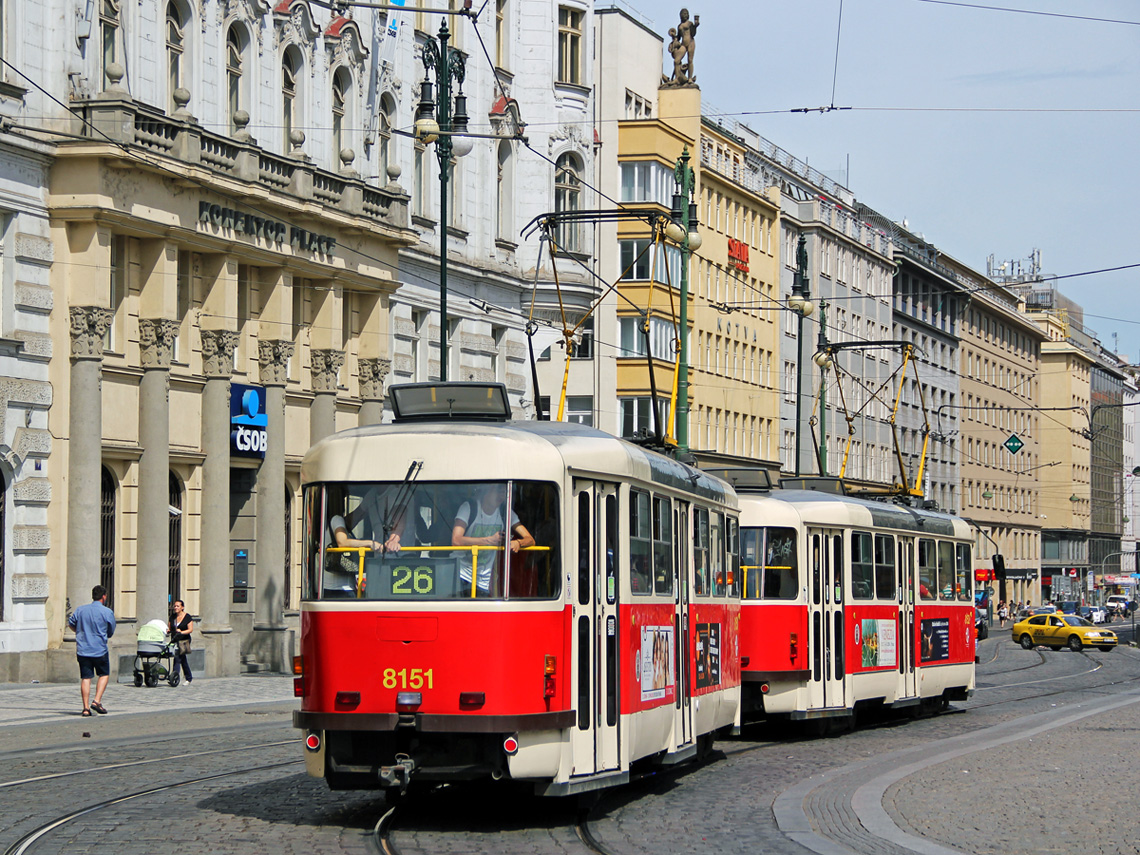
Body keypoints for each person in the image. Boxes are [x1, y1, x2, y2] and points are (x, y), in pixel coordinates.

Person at [452, 483, 534, 596]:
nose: (502, 495)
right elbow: (456, 540)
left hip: (484, 579)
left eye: (504, 492)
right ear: (486, 491)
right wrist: (489, 540)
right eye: (498, 490)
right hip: (460, 574)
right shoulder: (469, 507)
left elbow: (530, 540)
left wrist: (518, 542)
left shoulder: (505, 512)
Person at [68, 584, 116, 717]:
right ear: (104, 597)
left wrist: (79, 632)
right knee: (104, 674)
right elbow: (110, 630)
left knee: (86, 677)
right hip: (99, 649)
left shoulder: (81, 610)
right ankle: (97, 700)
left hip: (83, 649)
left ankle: (85, 708)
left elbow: (71, 624)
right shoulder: (107, 612)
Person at [169, 599, 194, 685]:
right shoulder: (172, 617)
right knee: (182, 659)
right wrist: (169, 631)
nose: (175, 608)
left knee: (178, 657)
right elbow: (170, 627)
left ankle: (174, 677)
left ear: (182, 607)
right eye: (175, 606)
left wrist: (181, 632)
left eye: (177, 606)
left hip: (184, 640)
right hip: (175, 639)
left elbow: (190, 630)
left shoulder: (187, 617)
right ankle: (189, 677)